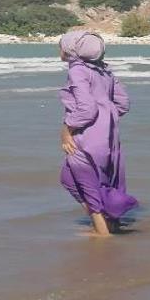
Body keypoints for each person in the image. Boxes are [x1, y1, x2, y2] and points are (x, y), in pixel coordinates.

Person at [58, 31, 137, 236]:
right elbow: (123, 103)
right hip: (109, 137)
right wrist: (106, 118)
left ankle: (102, 235)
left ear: (70, 49)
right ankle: (110, 223)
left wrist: (66, 130)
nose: (59, 50)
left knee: (87, 186)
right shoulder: (105, 71)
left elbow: (87, 109)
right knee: (76, 179)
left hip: (86, 136)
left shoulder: (78, 70)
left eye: (61, 46)